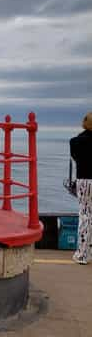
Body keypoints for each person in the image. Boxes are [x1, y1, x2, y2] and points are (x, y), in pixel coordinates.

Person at [70, 112, 92, 264]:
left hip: (85, 181)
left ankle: (83, 254)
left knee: (85, 216)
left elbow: (76, 158)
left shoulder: (75, 141)